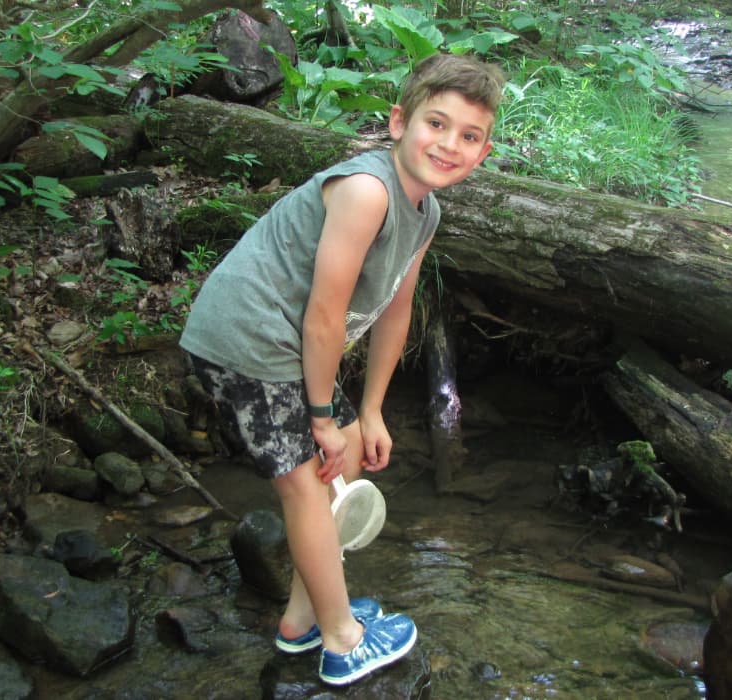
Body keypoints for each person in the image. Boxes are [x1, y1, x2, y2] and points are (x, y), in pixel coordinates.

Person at [179, 53, 504, 686]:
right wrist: (322, 416)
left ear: (483, 154)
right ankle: (339, 639)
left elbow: (394, 311)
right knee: (306, 482)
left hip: (284, 343)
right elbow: (325, 317)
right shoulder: (365, 191)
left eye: (468, 136)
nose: (449, 144)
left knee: (348, 456)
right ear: (398, 123)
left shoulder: (425, 213)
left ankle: (304, 618)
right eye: (436, 124)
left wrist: (372, 410)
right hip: (246, 337)